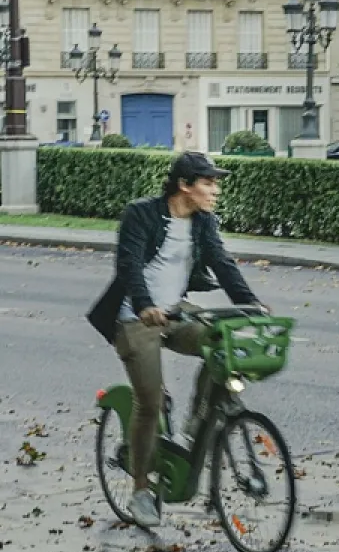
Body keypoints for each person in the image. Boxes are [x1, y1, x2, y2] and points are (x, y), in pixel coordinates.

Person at [87, 152, 264, 528]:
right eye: (208, 183)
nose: (215, 190)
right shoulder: (142, 213)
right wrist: (144, 305)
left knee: (220, 344)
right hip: (135, 318)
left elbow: (221, 262)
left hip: (177, 312)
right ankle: (139, 489)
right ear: (185, 185)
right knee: (149, 402)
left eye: (216, 183)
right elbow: (129, 265)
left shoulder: (203, 222)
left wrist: (251, 305)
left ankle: (195, 422)